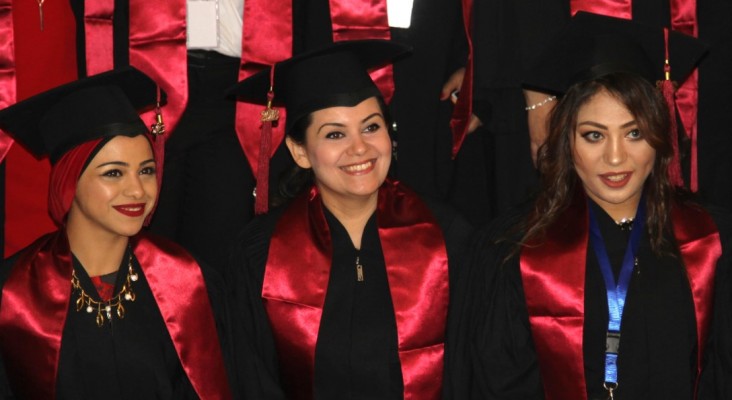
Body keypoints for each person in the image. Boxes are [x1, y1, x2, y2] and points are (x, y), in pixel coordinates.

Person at [445, 12, 732, 400]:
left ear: (660, 134)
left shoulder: (713, 241)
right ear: (566, 141)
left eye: (634, 132)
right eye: (594, 135)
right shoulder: (512, 252)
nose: (616, 159)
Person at [227, 40, 473, 399]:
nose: (360, 148)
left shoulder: (448, 237)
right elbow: (250, 378)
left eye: (372, 127)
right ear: (300, 152)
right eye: (335, 134)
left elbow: (471, 370)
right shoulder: (261, 253)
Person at [0, 68, 243, 399]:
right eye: (113, 173)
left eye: (146, 171)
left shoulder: (188, 283)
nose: (137, 190)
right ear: (69, 182)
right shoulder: (14, 294)